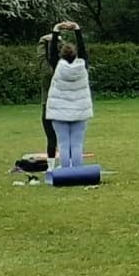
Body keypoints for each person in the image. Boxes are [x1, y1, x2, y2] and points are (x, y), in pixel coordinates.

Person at [44, 21, 92, 170]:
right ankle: (77, 171)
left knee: (63, 143)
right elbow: (83, 49)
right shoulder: (82, 64)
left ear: (60, 55)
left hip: (59, 112)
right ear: (76, 54)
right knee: (77, 143)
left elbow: (51, 51)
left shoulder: (57, 65)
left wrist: (56, 30)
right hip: (79, 111)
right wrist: (77, 29)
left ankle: (65, 172)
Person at [36, 35, 59, 167]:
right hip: (62, 106)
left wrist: (43, 40)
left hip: (48, 106)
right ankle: (69, 165)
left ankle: (51, 167)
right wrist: (59, 39)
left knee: (51, 138)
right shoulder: (63, 69)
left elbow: (41, 57)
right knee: (65, 138)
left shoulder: (47, 72)